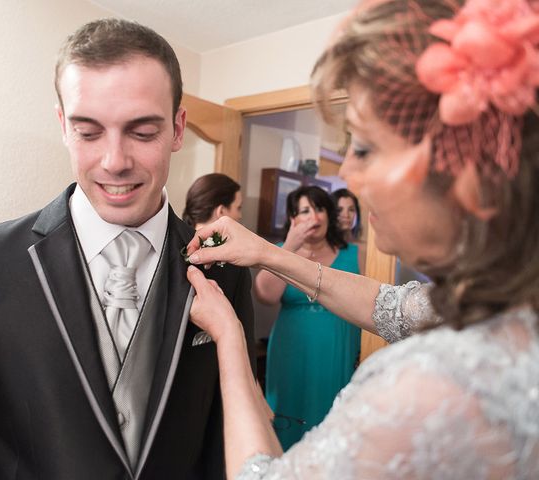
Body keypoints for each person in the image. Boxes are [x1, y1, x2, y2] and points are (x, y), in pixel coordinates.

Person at [183, 0, 539, 478]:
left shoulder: (434, 385)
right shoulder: (511, 311)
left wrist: (229, 337)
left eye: (365, 147)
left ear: (465, 172)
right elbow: (391, 305)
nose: (346, 170)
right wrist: (268, 251)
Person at [0, 18, 255, 480]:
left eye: (142, 132)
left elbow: (223, 445)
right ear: (64, 126)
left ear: (178, 128)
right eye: (89, 133)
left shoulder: (225, 270)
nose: (115, 162)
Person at [254, 185, 360, 450]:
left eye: (320, 209)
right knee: (289, 414)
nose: (315, 217)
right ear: (293, 219)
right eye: (305, 211)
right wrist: (290, 245)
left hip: (337, 346)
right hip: (292, 350)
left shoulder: (353, 253)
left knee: (331, 415)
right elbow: (265, 294)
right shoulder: (281, 251)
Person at [333, 188, 367, 273]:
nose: (346, 215)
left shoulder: (364, 248)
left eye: (351, 210)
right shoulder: (323, 248)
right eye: (339, 210)